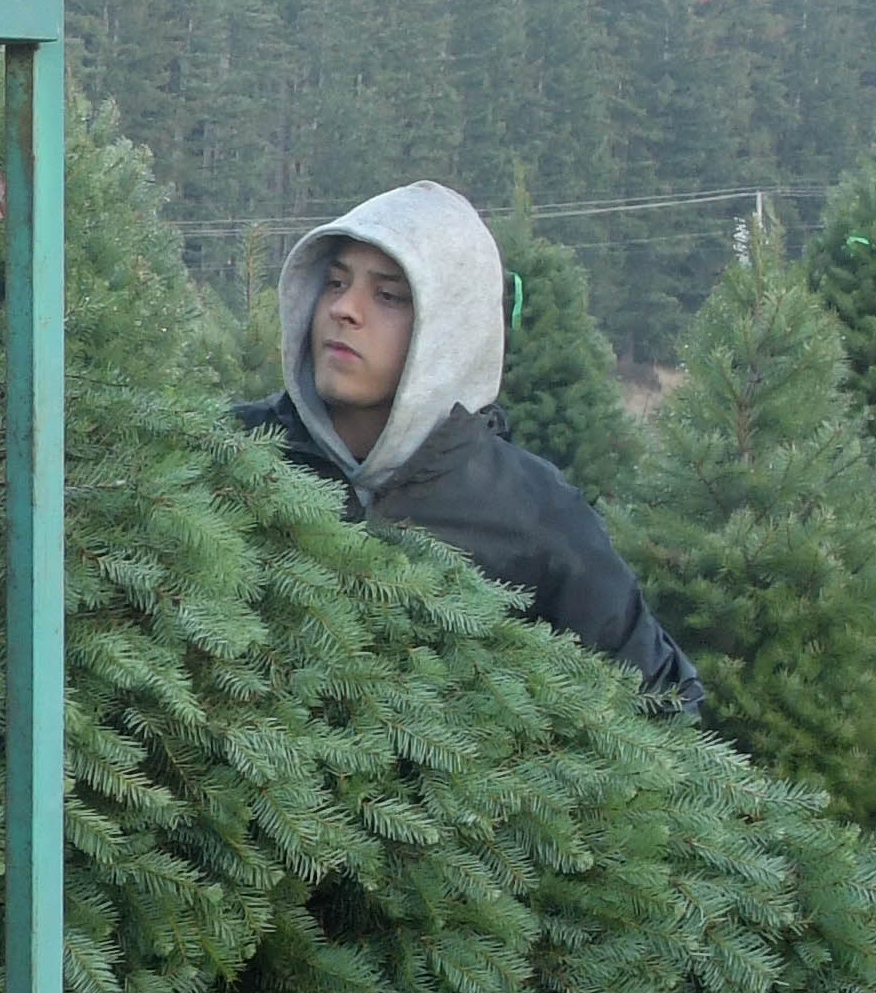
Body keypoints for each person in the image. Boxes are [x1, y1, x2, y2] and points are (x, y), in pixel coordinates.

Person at [237, 181, 699, 711]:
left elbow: (664, 704)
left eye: (388, 295)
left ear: (449, 330)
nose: (344, 308)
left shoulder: (534, 513)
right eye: (335, 282)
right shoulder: (238, 454)